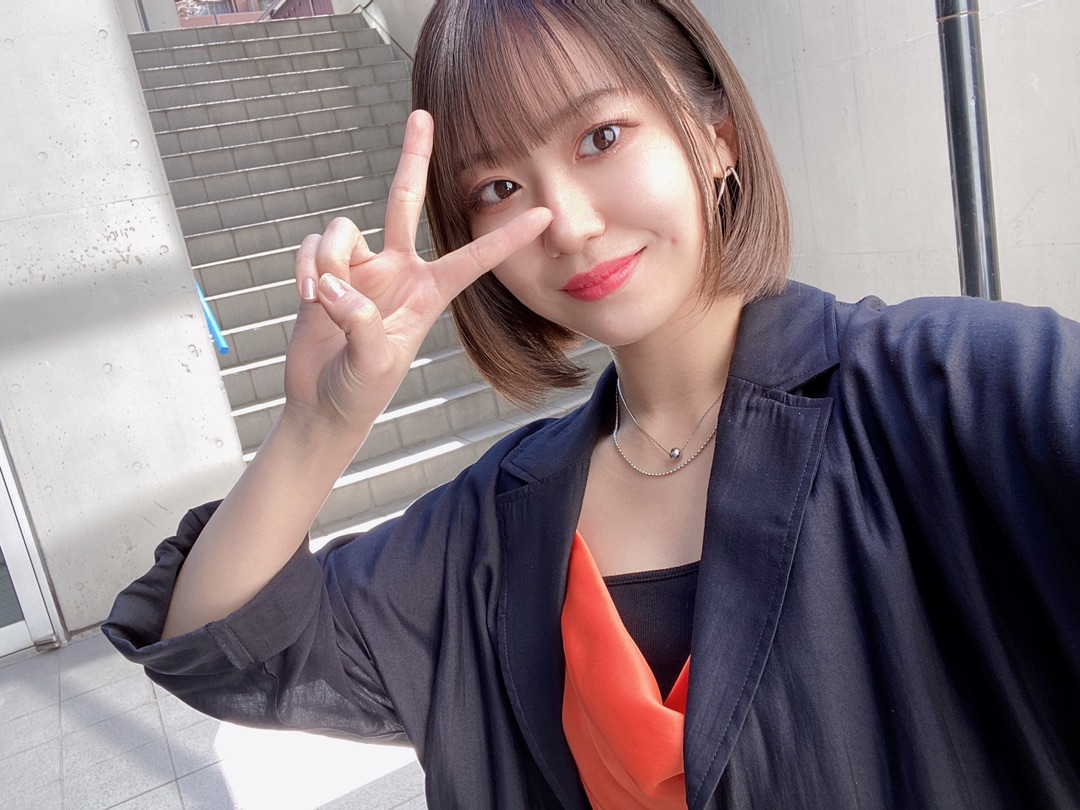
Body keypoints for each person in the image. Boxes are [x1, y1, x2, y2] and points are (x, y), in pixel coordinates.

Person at [104, 1, 1080, 807]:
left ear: (715, 136)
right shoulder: (491, 529)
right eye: (499, 186)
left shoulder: (952, 394)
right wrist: (320, 424)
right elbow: (227, 648)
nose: (566, 223)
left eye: (601, 137)